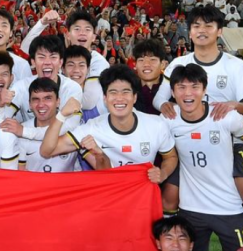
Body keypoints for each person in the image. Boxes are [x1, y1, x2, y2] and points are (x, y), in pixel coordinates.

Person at [153, 6, 243, 240]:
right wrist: (164, 106)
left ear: (219, 31)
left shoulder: (235, 65)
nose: (202, 30)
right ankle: (171, 243)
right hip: (186, 137)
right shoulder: (178, 64)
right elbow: (159, 98)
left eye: (208, 26)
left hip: (230, 135)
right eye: (196, 26)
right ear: (189, 32)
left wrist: (234, 105)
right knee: (169, 197)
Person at [163, 64, 243, 251]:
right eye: (181, 87)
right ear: (172, 92)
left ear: (204, 90)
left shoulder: (225, 116)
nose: (188, 93)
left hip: (230, 206)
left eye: (195, 87)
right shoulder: (168, 120)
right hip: (191, 208)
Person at [41, 66, 175, 180]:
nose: (119, 98)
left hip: (142, 197)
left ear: (134, 97)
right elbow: (47, 151)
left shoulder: (156, 125)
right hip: (111, 196)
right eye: (113, 92)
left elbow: (171, 157)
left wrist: (163, 173)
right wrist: (62, 115)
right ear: (105, 98)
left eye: (125, 92)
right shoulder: (92, 129)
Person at [14, 78, 80, 173]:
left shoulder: (72, 128)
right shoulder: (18, 132)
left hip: (67, 182)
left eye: (48, 98)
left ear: (58, 102)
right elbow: (19, 173)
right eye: (36, 99)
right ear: (30, 104)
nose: (41, 104)